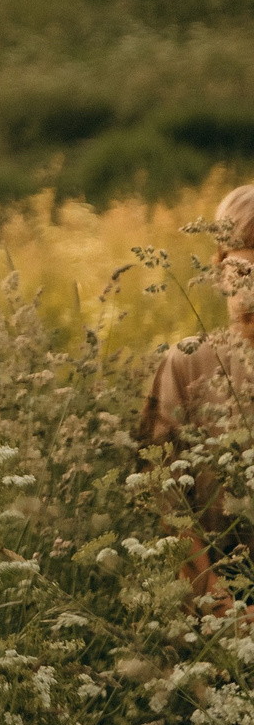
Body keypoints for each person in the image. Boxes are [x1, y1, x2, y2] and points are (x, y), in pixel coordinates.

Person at [137, 183, 254, 608]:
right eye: (240, 274)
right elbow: (164, 506)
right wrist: (221, 608)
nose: (250, 295)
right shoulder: (187, 365)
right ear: (219, 272)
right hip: (210, 620)